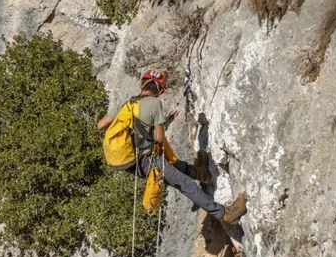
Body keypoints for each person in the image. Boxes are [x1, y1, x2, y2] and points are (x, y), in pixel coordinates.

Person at [99, 69, 246, 225]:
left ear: (142, 84)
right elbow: (160, 138)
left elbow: (101, 125)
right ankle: (224, 214)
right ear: (160, 90)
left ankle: (202, 174)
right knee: (183, 183)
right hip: (141, 160)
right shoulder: (154, 103)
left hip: (123, 160)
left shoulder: (126, 104)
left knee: (174, 165)